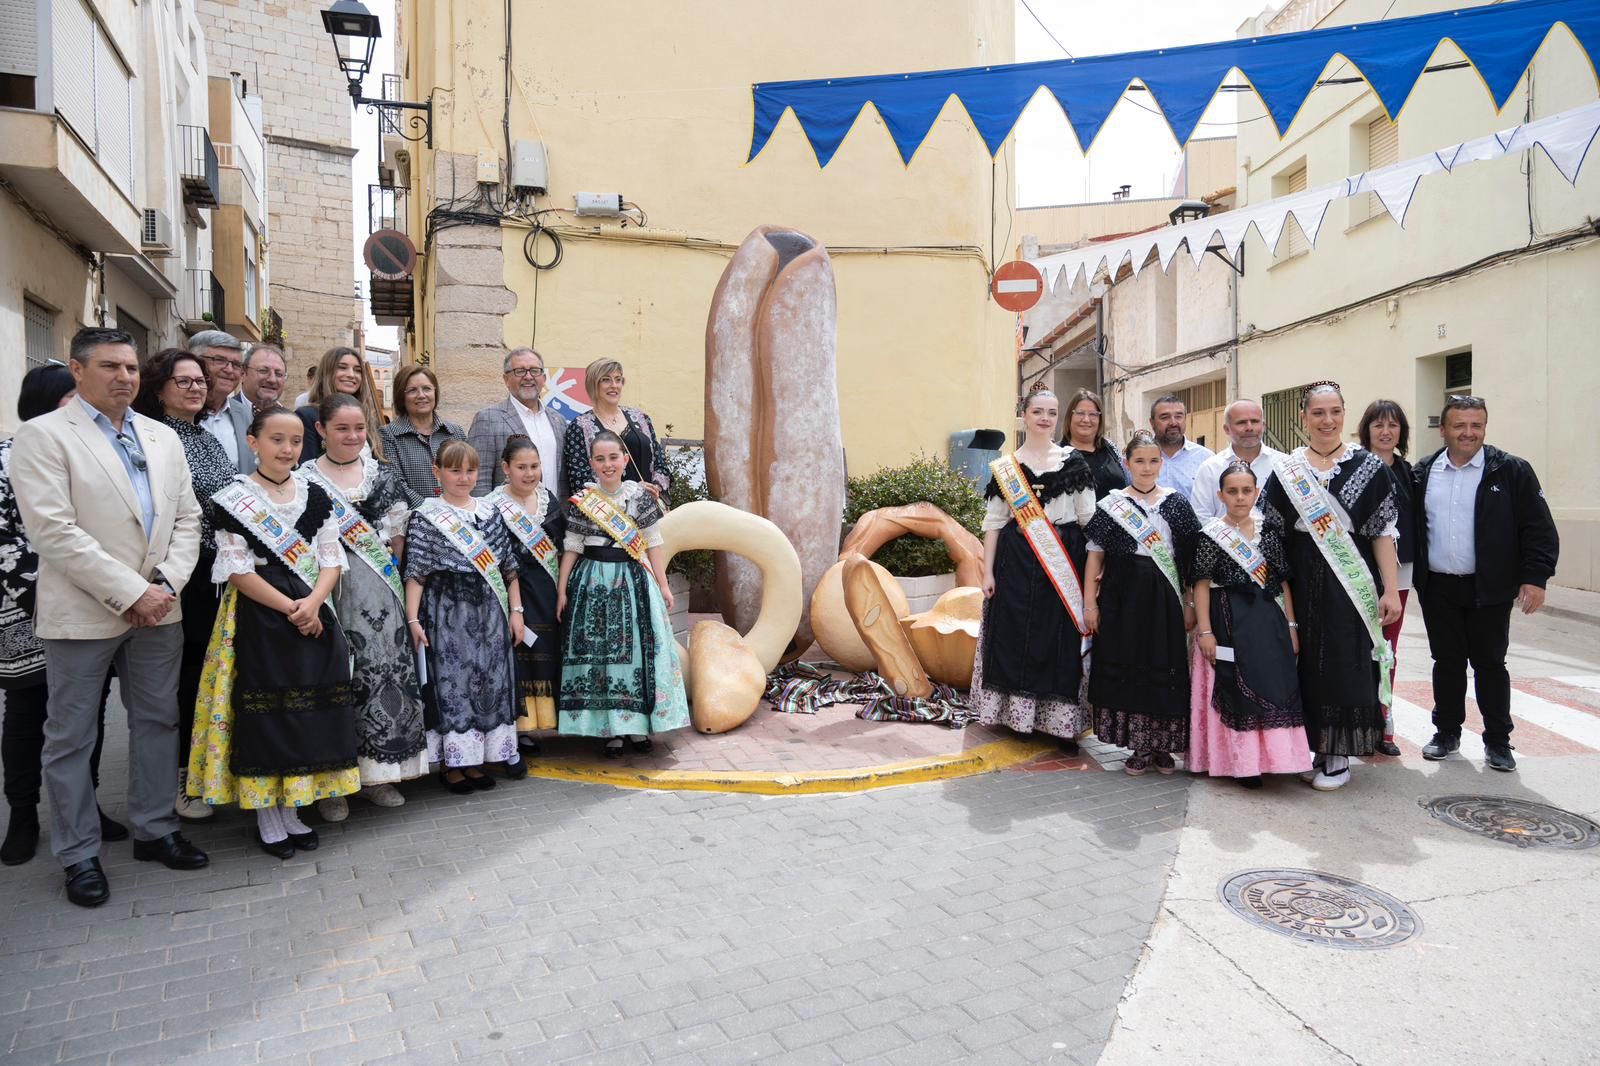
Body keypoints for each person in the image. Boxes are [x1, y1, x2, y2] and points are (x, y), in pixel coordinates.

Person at [11, 327, 208, 907]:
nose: (124, 376)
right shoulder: (44, 437)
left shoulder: (161, 437)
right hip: (85, 611)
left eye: (130, 367)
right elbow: (53, 531)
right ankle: (78, 855)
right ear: (76, 370)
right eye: (110, 366)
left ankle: (154, 829)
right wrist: (131, 592)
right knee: (71, 736)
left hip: (159, 608)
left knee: (157, 721)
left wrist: (167, 582)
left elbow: (189, 518)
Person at [187, 408, 359, 859]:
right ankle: (267, 814)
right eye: (277, 440)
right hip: (260, 615)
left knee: (308, 709)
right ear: (253, 442)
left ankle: (294, 808)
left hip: (314, 608)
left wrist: (315, 602)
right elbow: (236, 570)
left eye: (296, 441)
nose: (287, 449)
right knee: (267, 711)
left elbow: (330, 556)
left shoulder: (315, 494)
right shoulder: (234, 498)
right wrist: (292, 608)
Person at [1, 364, 123, 866]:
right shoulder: (7, 458)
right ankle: (23, 814)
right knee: (30, 714)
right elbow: (7, 543)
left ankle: (84, 805)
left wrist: (103, 587)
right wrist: (47, 596)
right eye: (72, 398)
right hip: (26, 611)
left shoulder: (95, 452)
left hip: (94, 600)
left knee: (86, 712)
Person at [1260, 382, 1403, 792]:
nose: (1327, 420)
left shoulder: (1369, 468)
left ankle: (1339, 755)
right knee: (1305, 662)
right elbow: (1271, 529)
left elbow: (1382, 532)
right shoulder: (1287, 469)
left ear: (1344, 414)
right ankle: (1319, 748)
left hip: (1349, 577)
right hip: (1301, 576)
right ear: (1304, 418)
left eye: (1335, 412)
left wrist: (1390, 590)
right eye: (1318, 413)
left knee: (1344, 660)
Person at [1414, 396, 1558, 773]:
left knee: (1490, 664)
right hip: (1439, 587)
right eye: (1459, 425)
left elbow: (1538, 528)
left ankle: (1498, 741)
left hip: (1489, 589)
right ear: (1443, 429)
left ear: (1484, 428)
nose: (1468, 433)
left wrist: (1535, 577)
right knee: (1446, 663)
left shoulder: (1511, 471)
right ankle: (1446, 733)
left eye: (1476, 425)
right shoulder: (1424, 472)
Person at [301, 394, 426, 819]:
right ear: (321, 430)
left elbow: (396, 530)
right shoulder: (305, 479)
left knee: (382, 671)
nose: (353, 436)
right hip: (327, 585)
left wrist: (391, 570)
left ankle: (379, 775)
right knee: (335, 676)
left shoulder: (380, 474)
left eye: (359, 429)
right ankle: (332, 785)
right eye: (342, 429)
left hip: (378, 584)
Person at [132, 348, 237, 822]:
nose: (196, 387)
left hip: (219, 569)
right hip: (182, 573)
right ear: (159, 387)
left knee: (208, 674)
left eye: (200, 380)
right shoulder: (150, 438)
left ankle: (207, 770)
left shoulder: (206, 436)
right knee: (185, 678)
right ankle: (181, 778)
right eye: (184, 381)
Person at [973, 389, 1097, 752]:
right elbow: (994, 523)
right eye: (1038, 411)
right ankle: (1021, 720)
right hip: (1015, 560)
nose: (1045, 418)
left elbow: (1089, 519)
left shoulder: (1073, 463)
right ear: (1024, 415)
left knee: (1060, 640)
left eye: (1051, 412)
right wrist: (988, 573)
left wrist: (1099, 569)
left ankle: (1061, 726)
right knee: (1016, 637)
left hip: (1064, 558)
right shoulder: (1007, 468)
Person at [404, 441, 527, 790]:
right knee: (453, 685)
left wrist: (515, 612)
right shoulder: (427, 516)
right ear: (437, 472)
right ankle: (451, 764)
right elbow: (416, 573)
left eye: (470, 470)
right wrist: (413, 619)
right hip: (447, 609)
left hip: (490, 608)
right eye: (455, 470)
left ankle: (476, 761)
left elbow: (508, 569)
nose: (463, 477)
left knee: (489, 682)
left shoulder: (489, 513)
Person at [557, 430, 688, 756]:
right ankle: (610, 729)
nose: (607, 464)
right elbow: (572, 546)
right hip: (593, 581)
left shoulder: (640, 498)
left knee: (639, 654)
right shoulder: (584, 500)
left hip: (633, 581)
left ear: (625, 460)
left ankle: (638, 728)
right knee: (600, 658)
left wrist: (663, 583)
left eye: (613, 457)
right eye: (600, 459)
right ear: (591, 463)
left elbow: (653, 542)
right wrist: (562, 589)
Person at [1083, 431, 1200, 776]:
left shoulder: (1176, 502)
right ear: (1126, 464)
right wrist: (1091, 604)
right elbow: (1094, 557)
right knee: (1130, 662)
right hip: (1123, 595)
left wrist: (1190, 601)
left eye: (1153, 461)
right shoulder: (1112, 505)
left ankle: (1163, 744)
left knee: (1164, 663)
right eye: (1139, 461)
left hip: (1165, 595)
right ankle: (1140, 744)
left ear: (1161, 463)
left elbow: (1189, 559)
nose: (1147, 468)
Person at [1189, 462, 1311, 788]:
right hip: (1226, 620)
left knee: (1272, 687)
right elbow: (1200, 585)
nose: (1240, 497)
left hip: (1268, 622)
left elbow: (1282, 582)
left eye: (1246, 491)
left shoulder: (1268, 532)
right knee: (1235, 688)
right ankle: (1243, 764)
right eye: (1232, 491)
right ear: (1221, 495)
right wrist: (1205, 632)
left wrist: (1292, 627)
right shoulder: (1211, 535)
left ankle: (1277, 760)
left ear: (1256, 493)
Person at [487, 436, 566, 754]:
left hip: (547, 588)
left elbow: (562, 547)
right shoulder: (492, 505)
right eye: (521, 467)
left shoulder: (548, 499)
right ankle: (521, 728)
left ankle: (549, 720)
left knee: (548, 649)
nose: (529, 473)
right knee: (519, 654)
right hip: (513, 590)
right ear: (506, 468)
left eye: (535, 466)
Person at [1359, 399, 1414, 757]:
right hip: (1358, 570)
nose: (1385, 431)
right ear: (1367, 431)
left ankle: (1384, 719)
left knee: (1387, 651)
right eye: (1378, 424)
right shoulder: (1353, 468)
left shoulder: (1411, 473)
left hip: (1400, 574)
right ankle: (1358, 720)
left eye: (1392, 425)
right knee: (1357, 649)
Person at [560, 359, 671, 503]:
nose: (614, 385)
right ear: (594, 385)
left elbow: (660, 463)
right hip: (609, 516)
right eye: (606, 380)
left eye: (618, 380)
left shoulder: (641, 418)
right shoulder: (579, 427)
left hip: (649, 507)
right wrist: (632, 490)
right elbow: (580, 480)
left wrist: (655, 488)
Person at [469, 348, 568, 496]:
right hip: (509, 516)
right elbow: (479, 479)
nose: (528, 377)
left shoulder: (558, 421)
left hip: (555, 515)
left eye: (534, 370)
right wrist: (488, 518)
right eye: (520, 371)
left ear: (544, 378)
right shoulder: (487, 419)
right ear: (506, 379)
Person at [1189, 399, 1284, 523]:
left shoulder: (1283, 464)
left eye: (1255, 421)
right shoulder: (1211, 468)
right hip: (1223, 541)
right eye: (1241, 423)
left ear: (1263, 426)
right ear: (1226, 429)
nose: (1249, 428)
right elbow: (1201, 517)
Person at [381, 365, 467, 499]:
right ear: (401, 396)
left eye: (427, 388)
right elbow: (396, 484)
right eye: (412, 390)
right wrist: (430, 512)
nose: (421, 395)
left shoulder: (455, 432)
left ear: (435, 392)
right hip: (413, 517)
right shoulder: (388, 435)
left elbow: (467, 475)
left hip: (457, 515)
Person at [297, 347, 386, 464]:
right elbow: (306, 469)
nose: (351, 375)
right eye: (342, 368)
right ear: (326, 372)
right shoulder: (307, 416)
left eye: (357, 370)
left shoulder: (367, 415)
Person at [190, 329, 255, 474]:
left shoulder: (246, 414)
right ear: (195, 362)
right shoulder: (175, 411)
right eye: (219, 360)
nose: (229, 370)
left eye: (236, 364)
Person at [1063, 388, 1128, 499]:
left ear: (1100, 419)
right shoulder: (1059, 454)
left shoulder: (1110, 448)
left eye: (1093, 414)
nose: (1086, 419)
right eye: (1080, 413)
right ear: (1070, 416)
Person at [1148, 394, 1212, 495]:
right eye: (1165, 417)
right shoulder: (1136, 460)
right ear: (1152, 422)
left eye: (1178, 416)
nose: (1173, 423)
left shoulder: (1205, 458)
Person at [239, 344, 288, 413]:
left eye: (278, 374)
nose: (272, 380)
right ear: (243, 374)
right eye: (263, 371)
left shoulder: (288, 419)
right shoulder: (223, 414)